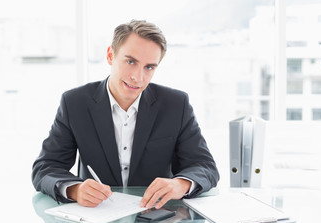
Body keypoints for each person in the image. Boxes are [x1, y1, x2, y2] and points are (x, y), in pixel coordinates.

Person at [32, 20, 219, 209]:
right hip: (98, 221)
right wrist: (75, 189)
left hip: (157, 220)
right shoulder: (75, 103)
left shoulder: (176, 104)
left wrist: (180, 184)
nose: (138, 77)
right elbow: (45, 167)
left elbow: (205, 167)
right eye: (131, 62)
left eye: (149, 67)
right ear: (110, 56)